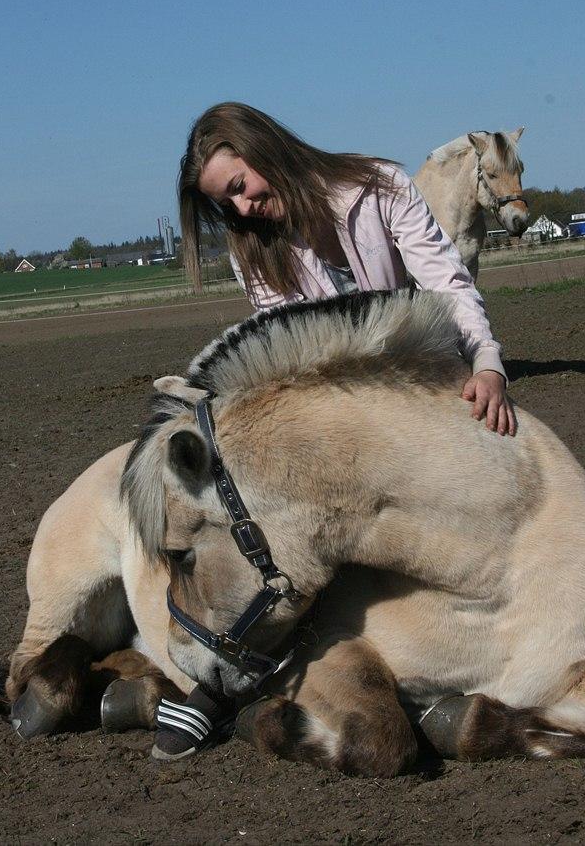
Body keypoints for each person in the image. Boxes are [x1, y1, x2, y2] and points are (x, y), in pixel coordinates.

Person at [151, 101, 517, 760]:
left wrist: (487, 363)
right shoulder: (254, 251)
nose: (241, 210)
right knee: (282, 542)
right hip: (333, 425)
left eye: (239, 188)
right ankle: (216, 677)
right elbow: (290, 355)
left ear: (263, 149)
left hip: (412, 396)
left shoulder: (379, 188)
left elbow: (446, 281)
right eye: (225, 206)